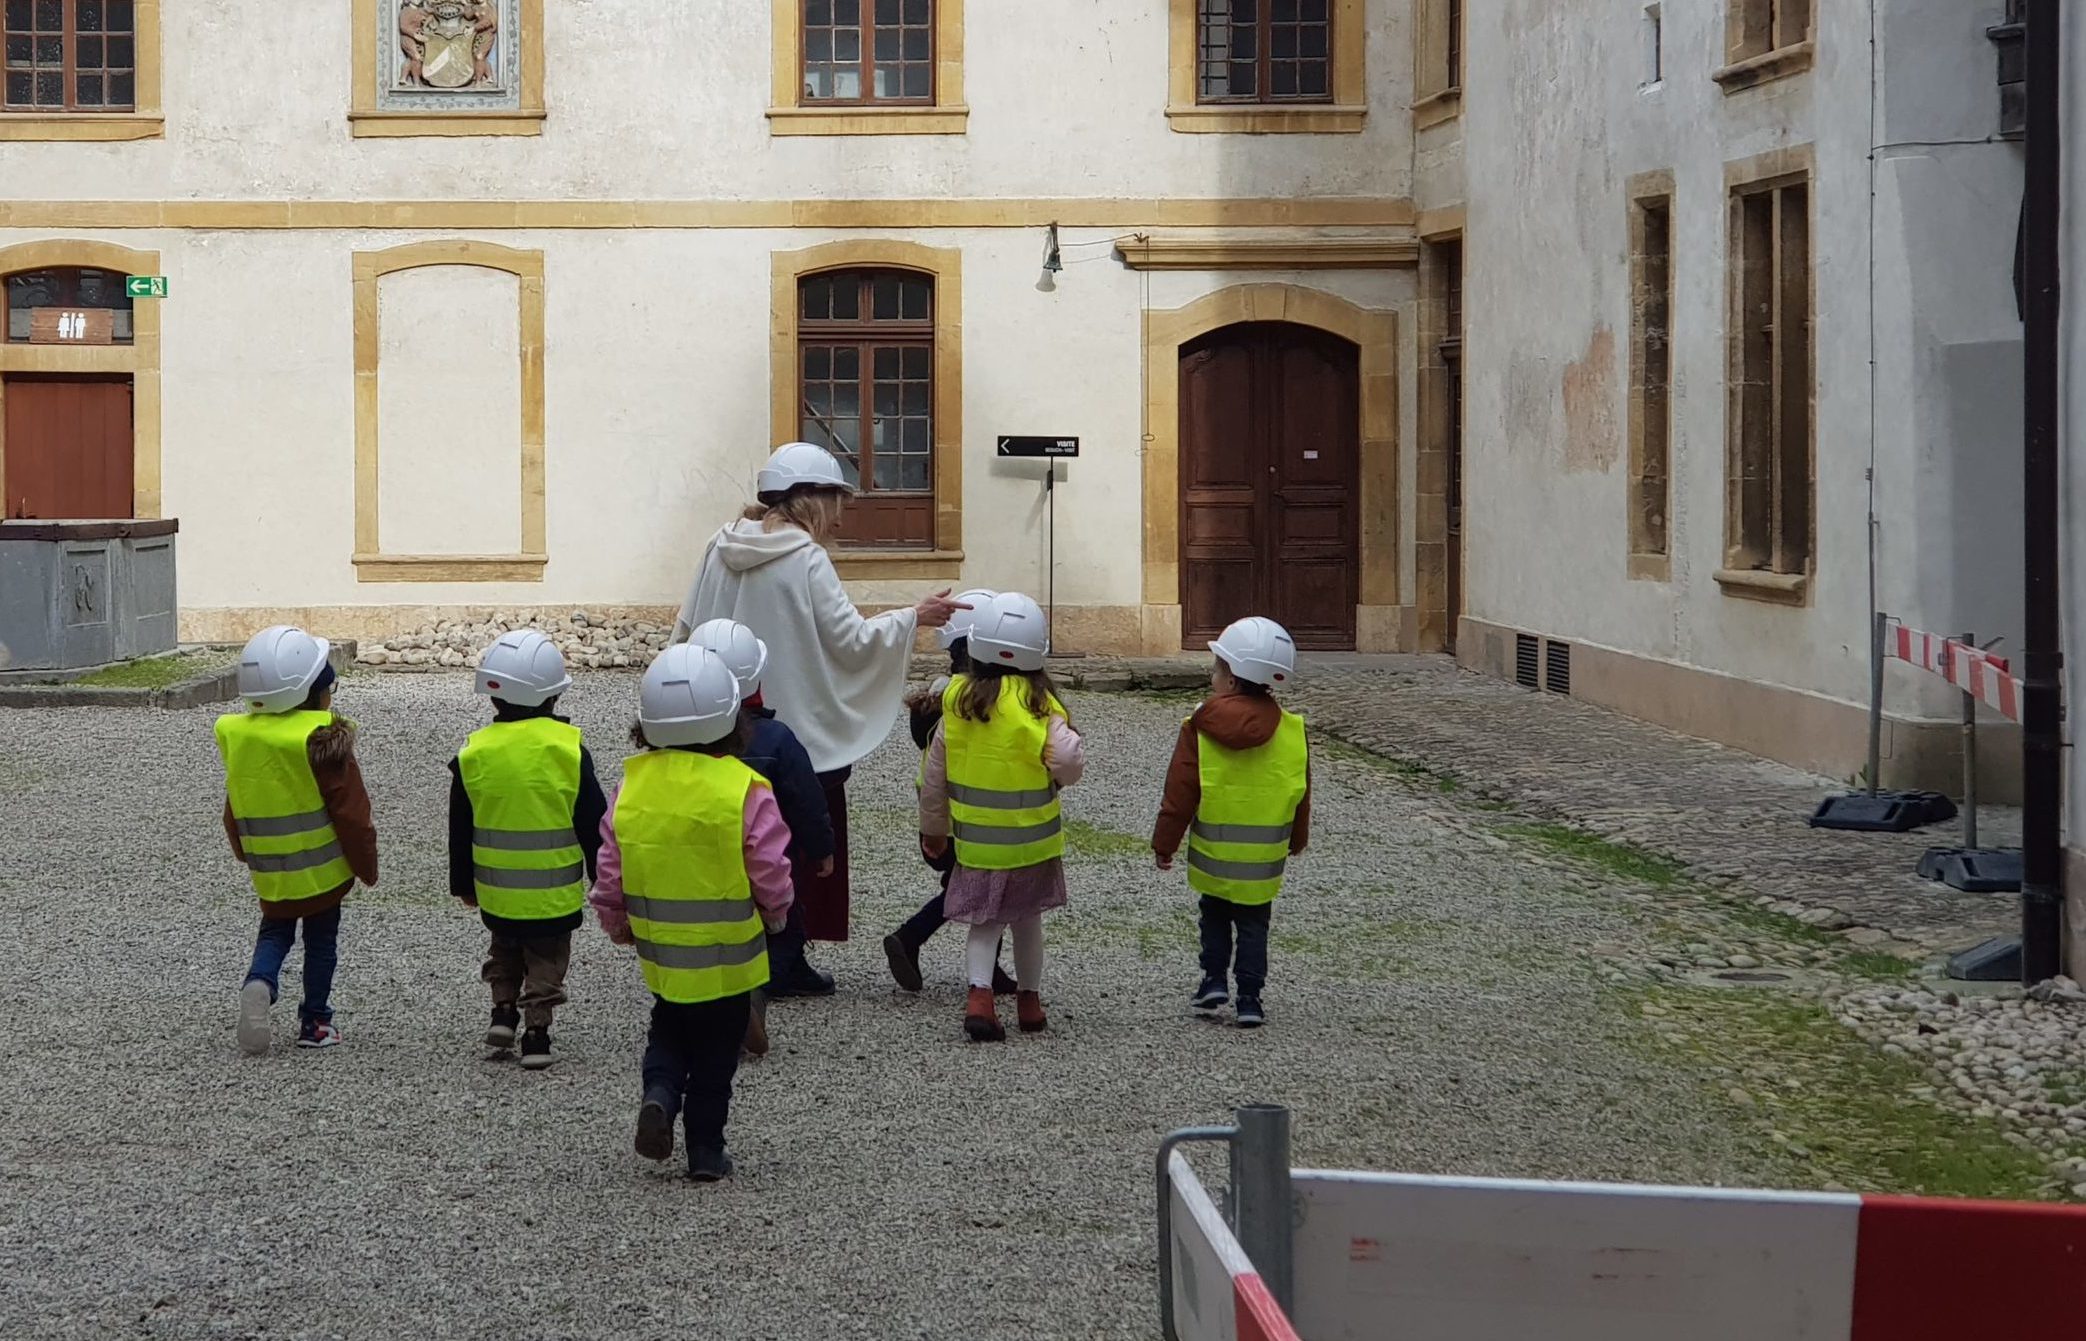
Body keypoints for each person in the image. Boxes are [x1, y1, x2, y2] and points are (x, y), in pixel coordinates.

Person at [673, 442, 966, 978]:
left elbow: (687, 627)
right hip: (787, 733)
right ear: (812, 499)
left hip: (715, 720)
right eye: (837, 498)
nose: (842, 512)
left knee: (720, 831)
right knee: (789, 844)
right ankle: (785, 958)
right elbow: (851, 642)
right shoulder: (806, 559)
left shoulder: (720, 545)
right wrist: (913, 617)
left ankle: (721, 946)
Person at [588, 645, 793, 1182]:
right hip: (728, 958)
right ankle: (705, 1150)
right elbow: (768, 866)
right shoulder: (742, 789)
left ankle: (658, 1093)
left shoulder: (631, 787)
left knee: (668, 1030)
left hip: (663, 950)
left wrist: (617, 923)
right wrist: (777, 913)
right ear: (731, 719)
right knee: (716, 1056)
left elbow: (610, 867)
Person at [917, 593, 1084, 1042]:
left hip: (977, 844)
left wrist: (933, 830)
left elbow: (934, 777)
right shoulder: (1039, 704)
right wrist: (1060, 778)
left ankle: (979, 997)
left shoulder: (957, 702)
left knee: (985, 923)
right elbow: (1067, 759)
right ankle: (1029, 1001)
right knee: (1028, 921)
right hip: (1033, 843)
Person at [448, 630, 608, 1070]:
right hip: (552, 893)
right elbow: (594, 824)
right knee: (546, 960)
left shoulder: (473, 752)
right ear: (553, 697)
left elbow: (460, 827)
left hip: (498, 890)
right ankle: (536, 1033)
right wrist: (605, 880)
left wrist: (463, 884)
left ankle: (502, 1013)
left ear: (494, 698)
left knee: (504, 949)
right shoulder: (568, 750)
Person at [215, 626, 378, 1054]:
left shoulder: (245, 740)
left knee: (274, 933)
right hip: (322, 874)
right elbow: (352, 815)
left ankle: (259, 982)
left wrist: (244, 852)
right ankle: (315, 1022)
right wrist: (366, 866)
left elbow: (235, 806)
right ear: (313, 694)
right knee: (321, 944)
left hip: (271, 870)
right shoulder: (324, 742)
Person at [1150, 617, 1311, 1030]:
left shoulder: (1198, 727)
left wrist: (1164, 843)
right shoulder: (1293, 730)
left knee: (1215, 913)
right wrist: (1298, 838)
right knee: (1255, 923)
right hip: (1263, 859)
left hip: (1214, 853)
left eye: (1218, 667)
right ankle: (1250, 998)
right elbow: (1300, 789)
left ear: (1234, 680)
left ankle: (1213, 980)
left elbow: (1181, 792)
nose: (1212, 675)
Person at [687, 617, 835, 1058]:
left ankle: (720, 987)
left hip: (703, 864)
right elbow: (806, 798)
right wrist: (822, 847)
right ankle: (763, 987)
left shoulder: (681, 746)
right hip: (772, 860)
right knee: (785, 922)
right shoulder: (777, 738)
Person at [883, 588, 1013, 995]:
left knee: (972, 887)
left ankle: (982, 967)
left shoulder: (940, 695)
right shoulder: (977, 702)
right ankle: (910, 937)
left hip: (937, 819)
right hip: (967, 819)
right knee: (988, 890)